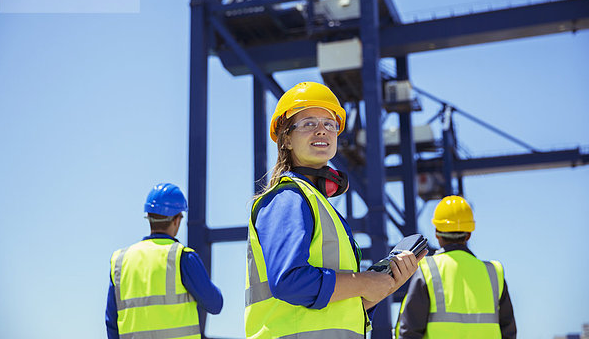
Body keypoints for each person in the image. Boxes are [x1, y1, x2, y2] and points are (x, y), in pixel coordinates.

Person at [245, 81, 427, 339]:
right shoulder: (287, 198)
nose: (322, 131)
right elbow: (289, 282)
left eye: (329, 125)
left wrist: (381, 287)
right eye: (309, 123)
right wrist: (364, 281)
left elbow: (330, 311)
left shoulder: (319, 206)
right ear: (286, 138)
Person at [106, 183, 223, 339]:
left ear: (148, 217)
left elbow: (111, 323)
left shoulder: (120, 261)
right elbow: (215, 304)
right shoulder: (182, 257)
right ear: (177, 220)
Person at [395, 195, 516, 339]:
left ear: (437, 233)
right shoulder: (494, 273)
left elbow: (409, 331)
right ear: (469, 234)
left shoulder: (428, 269)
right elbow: (509, 332)